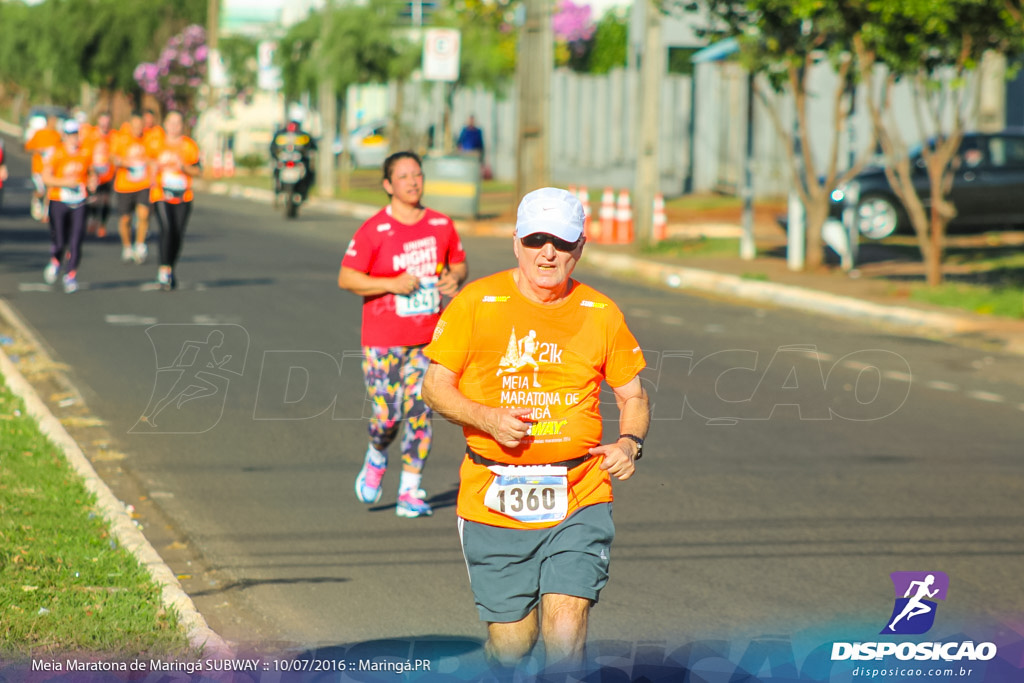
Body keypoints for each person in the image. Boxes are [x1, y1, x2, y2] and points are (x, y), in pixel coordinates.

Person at [421, 187, 649, 674]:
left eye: (562, 243)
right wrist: (486, 418)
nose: (548, 252)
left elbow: (633, 396)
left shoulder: (601, 313)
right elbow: (434, 387)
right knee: (512, 646)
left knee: (565, 634)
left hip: (579, 491)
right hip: (493, 496)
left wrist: (631, 443)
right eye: (537, 239)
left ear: (580, 248)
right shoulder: (477, 302)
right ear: (516, 242)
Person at [337, 151, 468, 518]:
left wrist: (454, 279)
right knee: (388, 416)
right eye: (404, 176)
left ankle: (411, 488)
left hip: (428, 339)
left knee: (420, 411)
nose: (412, 182)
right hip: (383, 338)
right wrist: (391, 283)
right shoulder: (374, 230)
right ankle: (377, 453)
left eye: (417, 175)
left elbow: (458, 264)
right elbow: (347, 277)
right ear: (387, 185)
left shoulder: (441, 225)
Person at [41, 120, 97, 293]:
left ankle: (71, 275)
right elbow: (46, 178)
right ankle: (56, 259)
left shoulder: (85, 152)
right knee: (59, 240)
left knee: (76, 239)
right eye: (70, 134)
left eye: (75, 134)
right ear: (64, 135)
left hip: (79, 201)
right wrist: (65, 182)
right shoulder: (56, 153)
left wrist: (93, 183)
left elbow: (92, 173)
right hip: (59, 200)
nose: (73, 138)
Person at [147, 110, 201, 290]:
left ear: (182, 126)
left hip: (183, 195)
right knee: (167, 229)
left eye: (178, 123)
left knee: (178, 233)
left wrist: (183, 167)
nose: (174, 126)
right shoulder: (156, 144)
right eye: (171, 122)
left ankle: (170, 268)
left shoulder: (189, 146)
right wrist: (153, 171)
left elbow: (198, 170)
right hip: (161, 193)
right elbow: (147, 163)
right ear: (165, 124)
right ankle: (163, 270)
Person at [111, 112, 153, 264]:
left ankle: (140, 244)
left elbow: (153, 157)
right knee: (125, 219)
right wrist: (125, 162)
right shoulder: (121, 138)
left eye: (140, 126)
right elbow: (113, 158)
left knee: (143, 214)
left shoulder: (148, 138)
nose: (138, 129)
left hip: (143, 183)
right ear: (129, 126)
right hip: (124, 185)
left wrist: (147, 162)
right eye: (135, 126)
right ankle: (127, 246)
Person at [24, 115, 62, 221]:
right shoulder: (39, 134)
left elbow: (61, 150)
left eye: (55, 121)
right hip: (38, 168)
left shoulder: (57, 135)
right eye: (52, 121)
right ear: (47, 122)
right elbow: (28, 147)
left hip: (51, 169)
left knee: (49, 190)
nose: (54, 123)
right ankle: (36, 200)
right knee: (41, 191)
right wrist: (38, 150)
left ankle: (46, 213)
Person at [83, 111, 116, 237]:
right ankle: (92, 219)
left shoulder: (114, 136)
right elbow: (86, 154)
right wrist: (90, 171)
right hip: (93, 174)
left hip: (108, 174)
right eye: (103, 122)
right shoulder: (91, 136)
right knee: (93, 200)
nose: (105, 125)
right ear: (98, 121)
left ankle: (102, 224)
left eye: (107, 122)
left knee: (106, 200)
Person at [269, 119, 316, 202]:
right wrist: (275, 155)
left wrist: (308, 153)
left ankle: (304, 192)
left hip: (298, 161)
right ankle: (277, 189)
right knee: (276, 171)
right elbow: (273, 147)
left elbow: (312, 146)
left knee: (308, 173)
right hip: (283, 160)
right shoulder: (280, 135)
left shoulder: (303, 135)